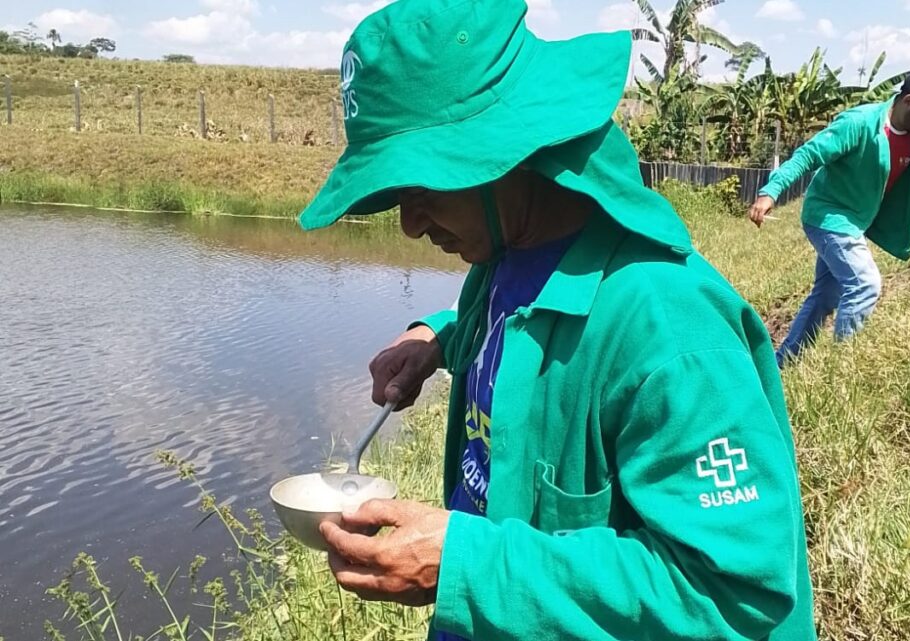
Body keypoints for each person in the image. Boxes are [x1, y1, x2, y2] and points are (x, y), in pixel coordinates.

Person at [299, 1, 817, 639]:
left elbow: (731, 591)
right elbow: (519, 331)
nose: (408, 224)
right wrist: (433, 338)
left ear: (509, 152)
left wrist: (461, 566)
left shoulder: (672, 331)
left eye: (421, 186)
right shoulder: (507, 255)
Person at [749, 67, 910, 367]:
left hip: (856, 221)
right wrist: (771, 192)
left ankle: (782, 363)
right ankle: (842, 368)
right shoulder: (859, 124)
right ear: (908, 101)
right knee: (864, 285)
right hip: (828, 216)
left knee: (826, 295)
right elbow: (809, 155)